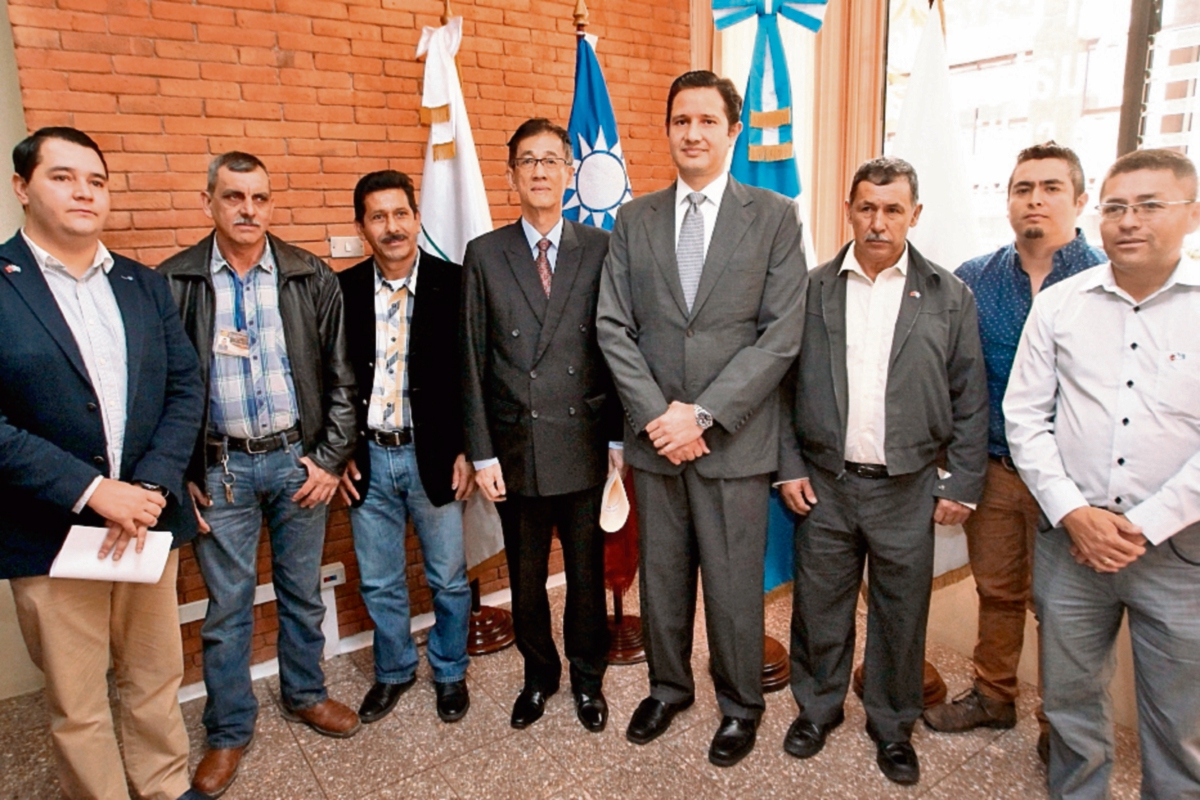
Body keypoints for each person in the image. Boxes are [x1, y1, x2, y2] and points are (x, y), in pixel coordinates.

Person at [596, 70, 807, 767]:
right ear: (667, 130)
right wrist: (661, 418)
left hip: (735, 444)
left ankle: (741, 704)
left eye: (707, 121)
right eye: (681, 120)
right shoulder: (634, 219)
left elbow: (780, 335)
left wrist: (705, 415)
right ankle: (668, 687)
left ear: (732, 131)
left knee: (732, 586)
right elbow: (613, 328)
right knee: (662, 581)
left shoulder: (774, 216)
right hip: (656, 442)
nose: (693, 133)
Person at [0, 127, 205, 800]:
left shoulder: (141, 285)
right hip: (51, 534)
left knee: (154, 681)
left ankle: (164, 787)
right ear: (22, 187)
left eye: (96, 179)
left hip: (146, 523)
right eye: (63, 176)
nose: (84, 191)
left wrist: (148, 486)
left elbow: (184, 387)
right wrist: (91, 490)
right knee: (78, 704)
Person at [777, 157, 988, 786]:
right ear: (849, 209)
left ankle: (892, 726)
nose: (878, 221)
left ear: (914, 215)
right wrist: (788, 466)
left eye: (893, 209)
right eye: (867, 207)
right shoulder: (812, 289)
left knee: (901, 614)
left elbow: (970, 396)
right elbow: (783, 389)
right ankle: (817, 709)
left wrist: (963, 484)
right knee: (819, 607)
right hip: (827, 484)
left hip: (909, 488)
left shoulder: (950, 295)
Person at [158, 152, 359, 798]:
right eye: (234, 197)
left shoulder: (309, 277)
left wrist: (329, 458)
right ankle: (228, 730)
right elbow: (162, 389)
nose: (249, 210)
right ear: (209, 202)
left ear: (271, 204)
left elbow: (342, 378)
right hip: (222, 472)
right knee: (228, 610)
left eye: (260, 198)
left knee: (303, 593)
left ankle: (305, 693)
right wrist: (181, 469)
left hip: (297, 464)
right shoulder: (176, 282)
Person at [1005, 148, 1200, 799]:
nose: (1128, 221)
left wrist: (1140, 525)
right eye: (1117, 206)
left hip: (1180, 553)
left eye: (1149, 206)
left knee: (1179, 724)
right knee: (1071, 711)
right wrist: (1075, 515)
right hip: (1071, 547)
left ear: (1191, 214)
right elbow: (1024, 419)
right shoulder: (1060, 305)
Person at [924, 142, 1105, 762]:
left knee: (1066, 608)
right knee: (999, 592)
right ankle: (994, 697)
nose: (1035, 199)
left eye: (1051, 188)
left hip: (1079, 481)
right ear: (1006, 201)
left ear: (1080, 200)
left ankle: (1065, 726)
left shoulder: (1103, 276)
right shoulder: (975, 278)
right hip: (998, 469)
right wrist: (957, 467)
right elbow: (956, 378)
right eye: (1023, 187)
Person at [461, 118, 622, 733]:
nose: (539, 171)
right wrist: (480, 453)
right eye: (527, 161)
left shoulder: (601, 248)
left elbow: (614, 350)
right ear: (511, 176)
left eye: (551, 160)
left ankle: (587, 679)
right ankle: (539, 676)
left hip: (582, 445)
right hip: (514, 449)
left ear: (568, 173)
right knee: (526, 583)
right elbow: (471, 360)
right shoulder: (486, 253)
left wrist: (615, 438)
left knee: (584, 579)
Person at [336, 170, 473, 725]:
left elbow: (475, 375)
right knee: (379, 578)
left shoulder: (457, 283)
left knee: (447, 577)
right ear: (362, 226)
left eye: (400, 214)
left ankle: (449, 670)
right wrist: (337, 453)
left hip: (435, 455)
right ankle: (393, 671)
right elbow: (329, 380)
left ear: (417, 218)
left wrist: (468, 449)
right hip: (368, 456)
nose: (391, 227)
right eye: (378, 216)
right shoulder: (340, 291)